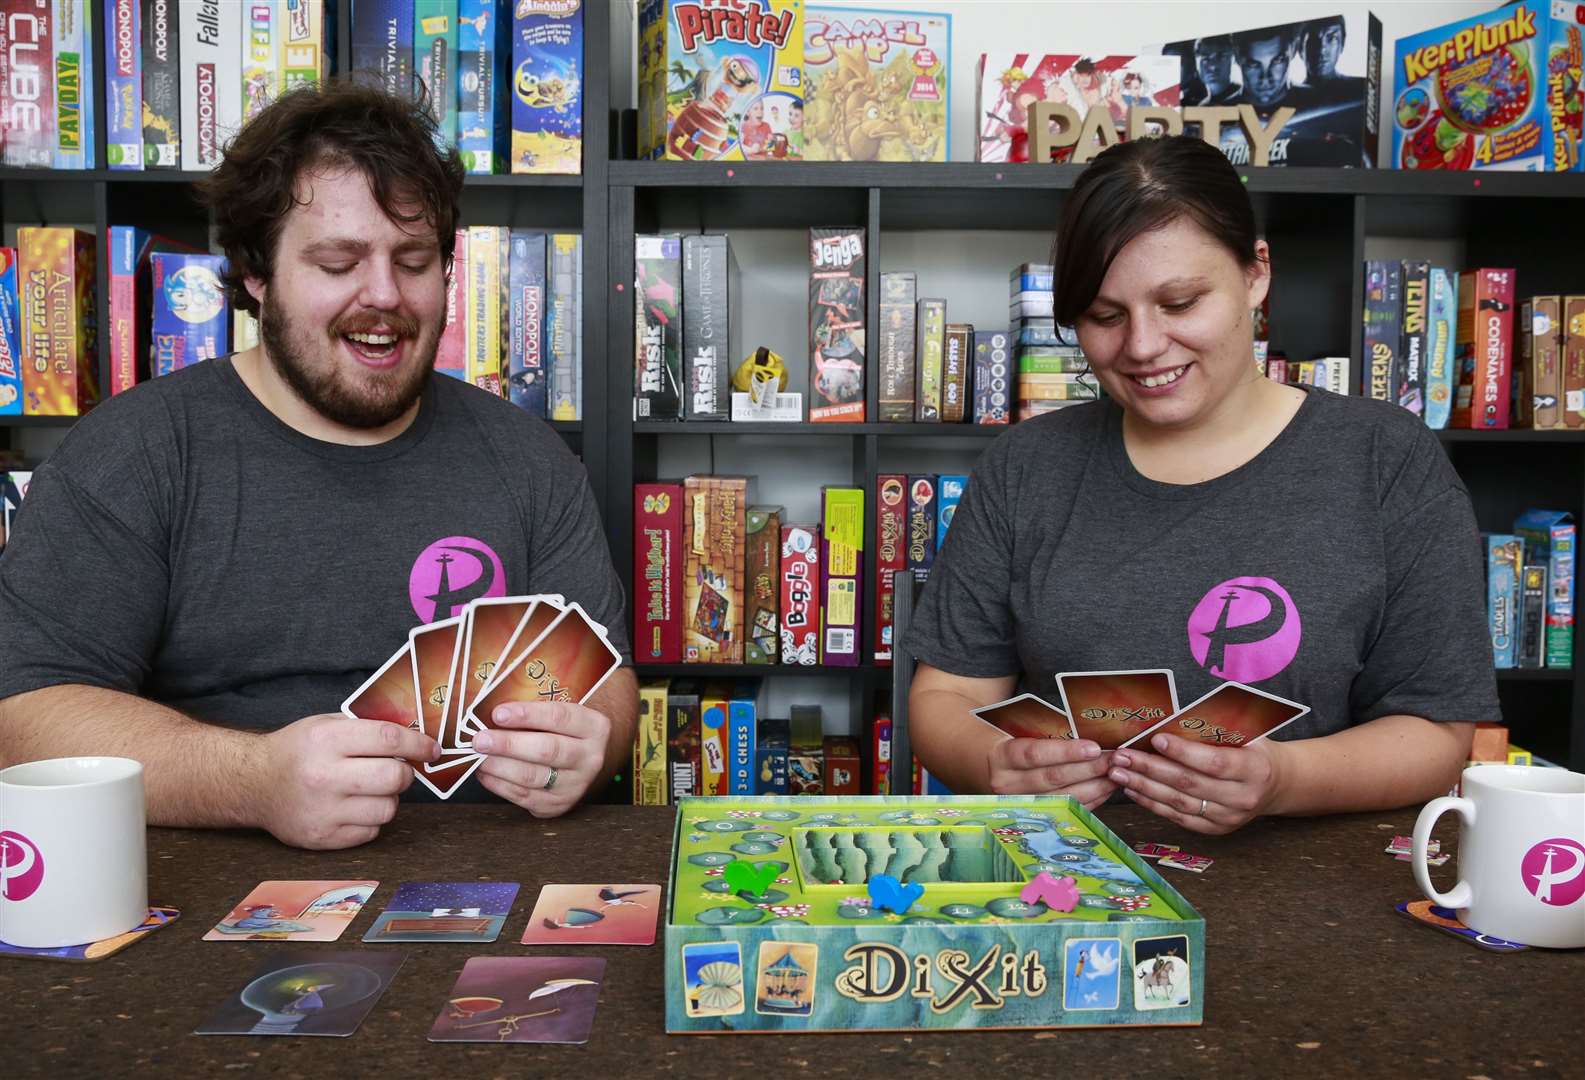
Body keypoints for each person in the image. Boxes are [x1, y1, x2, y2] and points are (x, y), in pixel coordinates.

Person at [0, 81, 637, 849]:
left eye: (413, 260)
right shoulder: (136, 453)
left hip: (497, 901)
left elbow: (604, 681)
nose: (385, 296)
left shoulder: (528, 457)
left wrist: (591, 743)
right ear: (257, 276)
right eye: (338, 262)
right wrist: (256, 780)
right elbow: (24, 718)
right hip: (215, 911)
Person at [904, 135, 1498, 835]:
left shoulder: (1384, 458)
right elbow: (945, 693)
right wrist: (992, 760)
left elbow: (1438, 734)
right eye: (1103, 316)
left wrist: (1282, 780)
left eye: (1180, 302)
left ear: (1255, 274)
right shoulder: (1025, 466)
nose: (1142, 346)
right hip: (1068, 881)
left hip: (1314, 892)